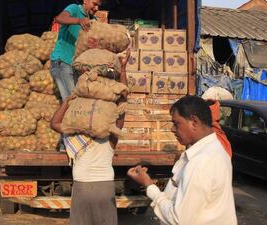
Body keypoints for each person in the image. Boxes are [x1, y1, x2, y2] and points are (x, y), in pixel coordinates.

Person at [127, 95, 237, 225]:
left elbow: (178, 219)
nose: (172, 129)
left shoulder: (201, 162)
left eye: (176, 123)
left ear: (194, 122)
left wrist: (149, 185)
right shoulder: (213, 149)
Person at [50, 50, 129, 225]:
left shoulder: (75, 135)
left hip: (81, 186)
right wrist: (123, 68)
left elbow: (54, 123)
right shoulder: (111, 136)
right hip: (105, 187)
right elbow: (123, 101)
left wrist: (67, 102)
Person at [50, 0, 101, 100]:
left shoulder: (94, 20)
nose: (97, 8)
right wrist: (79, 20)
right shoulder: (74, 8)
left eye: (98, 6)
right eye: (94, 4)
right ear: (85, 1)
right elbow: (60, 18)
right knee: (71, 101)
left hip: (76, 67)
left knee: (77, 100)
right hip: (63, 62)